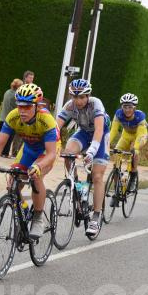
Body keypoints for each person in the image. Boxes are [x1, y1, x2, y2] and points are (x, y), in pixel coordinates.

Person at [0, 83, 57, 240]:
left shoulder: (46, 120)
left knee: (36, 176)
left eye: (27, 107)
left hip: (45, 152)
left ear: (36, 106)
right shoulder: (13, 117)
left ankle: (38, 218)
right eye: (20, 106)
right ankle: (24, 208)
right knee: (13, 180)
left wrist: (38, 166)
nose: (22, 110)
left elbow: (51, 154)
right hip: (28, 149)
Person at [56, 78, 110, 236]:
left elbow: (99, 130)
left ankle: (96, 216)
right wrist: (50, 145)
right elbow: (55, 127)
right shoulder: (69, 106)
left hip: (101, 135)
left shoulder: (96, 104)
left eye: (82, 97)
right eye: (75, 97)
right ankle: (77, 185)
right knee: (68, 152)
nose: (78, 101)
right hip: (83, 133)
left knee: (97, 176)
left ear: (88, 96)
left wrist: (92, 151)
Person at [109, 92, 148, 191]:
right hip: (125, 136)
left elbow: (140, 134)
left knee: (134, 151)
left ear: (134, 108)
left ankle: (133, 176)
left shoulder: (140, 116)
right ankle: (116, 188)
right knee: (117, 153)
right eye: (125, 107)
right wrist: (106, 143)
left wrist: (136, 147)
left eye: (130, 107)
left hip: (139, 136)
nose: (127, 110)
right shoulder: (118, 114)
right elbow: (113, 131)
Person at [0, 78, 22, 157]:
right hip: (10, 119)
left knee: (1, 136)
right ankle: (5, 153)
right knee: (9, 137)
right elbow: (18, 107)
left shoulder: (7, 92)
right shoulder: (15, 96)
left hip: (2, 117)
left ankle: (0, 151)